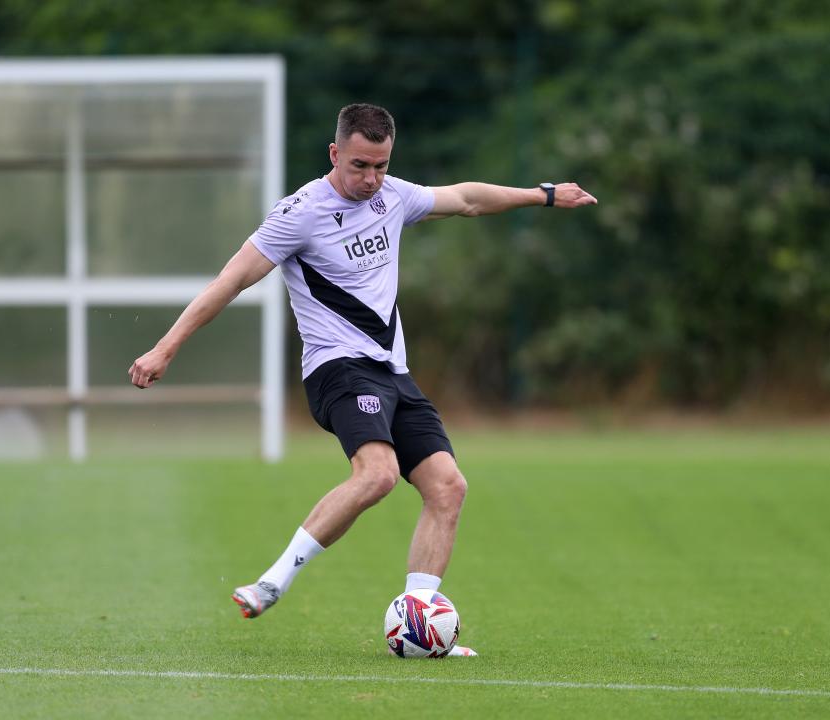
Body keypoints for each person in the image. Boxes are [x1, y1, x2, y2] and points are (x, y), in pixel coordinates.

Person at [128, 103, 596, 657]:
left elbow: (467, 199)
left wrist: (542, 194)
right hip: (336, 369)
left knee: (448, 487)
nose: (371, 179)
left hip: (393, 371)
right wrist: (165, 347)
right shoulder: (299, 212)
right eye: (359, 166)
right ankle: (272, 581)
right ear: (334, 154)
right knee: (377, 475)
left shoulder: (392, 196)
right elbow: (230, 280)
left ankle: (421, 625)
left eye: (380, 165)